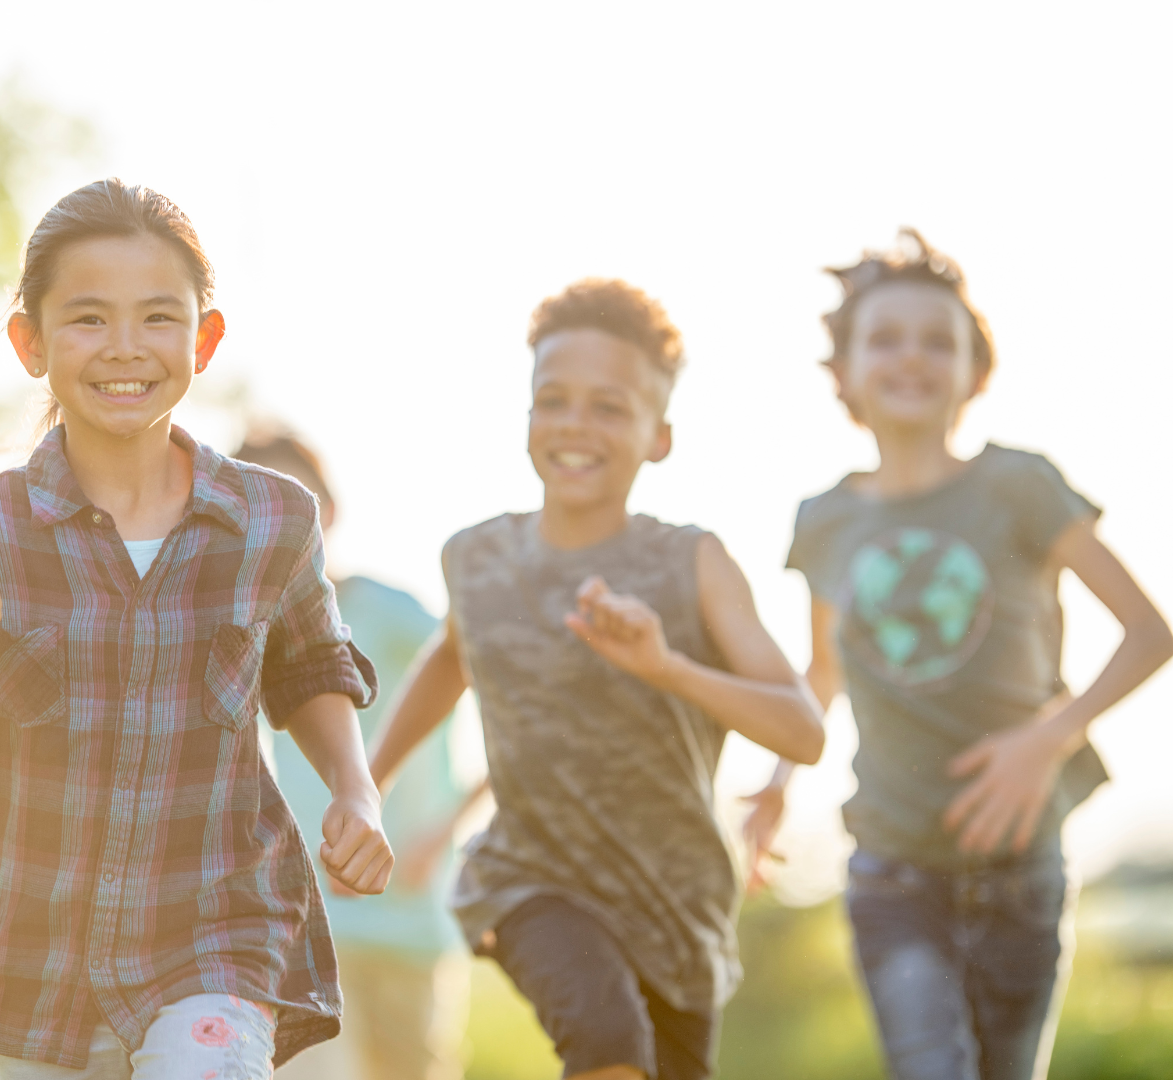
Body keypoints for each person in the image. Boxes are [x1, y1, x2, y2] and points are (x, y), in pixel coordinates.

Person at [0, 179, 393, 1080]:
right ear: (29, 343)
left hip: (222, 932)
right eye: (87, 320)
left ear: (205, 338)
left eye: (159, 318)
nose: (125, 348)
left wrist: (356, 791)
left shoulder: (273, 520)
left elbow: (310, 667)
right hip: (43, 966)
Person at [368, 279, 826, 1080]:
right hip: (532, 878)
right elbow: (452, 657)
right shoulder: (477, 558)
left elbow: (804, 730)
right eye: (554, 401)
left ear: (660, 436)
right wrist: (364, 785)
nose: (576, 425)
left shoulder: (693, 563)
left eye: (609, 407)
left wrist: (667, 668)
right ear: (529, 416)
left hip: (676, 903)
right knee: (609, 1046)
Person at [779, 230, 1172, 1080]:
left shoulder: (1020, 487)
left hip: (1021, 866)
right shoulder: (825, 522)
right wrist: (776, 786)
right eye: (885, 338)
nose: (912, 357)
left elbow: (1151, 634)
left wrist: (1047, 738)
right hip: (892, 867)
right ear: (842, 371)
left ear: (974, 372)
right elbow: (823, 674)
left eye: (938, 341)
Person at [234, 430, 484, 1080]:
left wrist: (443, 831)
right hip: (303, 926)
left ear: (329, 509)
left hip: (409, 915)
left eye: (294, 498)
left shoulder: (393, 612)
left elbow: (517, 698)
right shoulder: (246, 631)